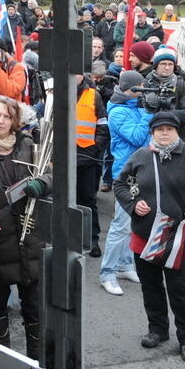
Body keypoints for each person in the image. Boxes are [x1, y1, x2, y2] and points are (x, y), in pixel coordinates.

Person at [114, 111, 185, 363]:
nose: (164, 133)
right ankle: (157, 330)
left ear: (177, 132)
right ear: (152, 133)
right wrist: (134, 204)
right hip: (144, 234)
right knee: (150, 286)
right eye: (159, 129)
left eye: (169, 129)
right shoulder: (141, 156)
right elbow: (120, 184)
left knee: (180, 290)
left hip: (176, 237)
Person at [0, 96, 52, 358]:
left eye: (6, 116)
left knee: (33, 306)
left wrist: (43, 183)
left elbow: (52, 173)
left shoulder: (28, 145)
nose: (1, 121)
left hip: (29, 236)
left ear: (14, 120)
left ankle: (34, 360)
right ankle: (3, 354)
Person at [100, 70, 154, 296]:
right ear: (126, 89)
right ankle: (107, 273)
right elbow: (136, 136)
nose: (141, 92)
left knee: (134, 223)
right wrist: (149, 113)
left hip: (142, 170)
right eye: (137, 88)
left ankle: (124, 265)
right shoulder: (118, 111)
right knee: (121, 225)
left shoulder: (135, 107)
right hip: (126, 173)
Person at [75, 74, 110, 257]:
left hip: (87, 159)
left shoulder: (93, 95)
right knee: (60, 200)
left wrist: (96, 150)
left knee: (87, 200)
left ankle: (92, 239)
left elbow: (103, 126)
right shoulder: (53, 93)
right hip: (61, 159)